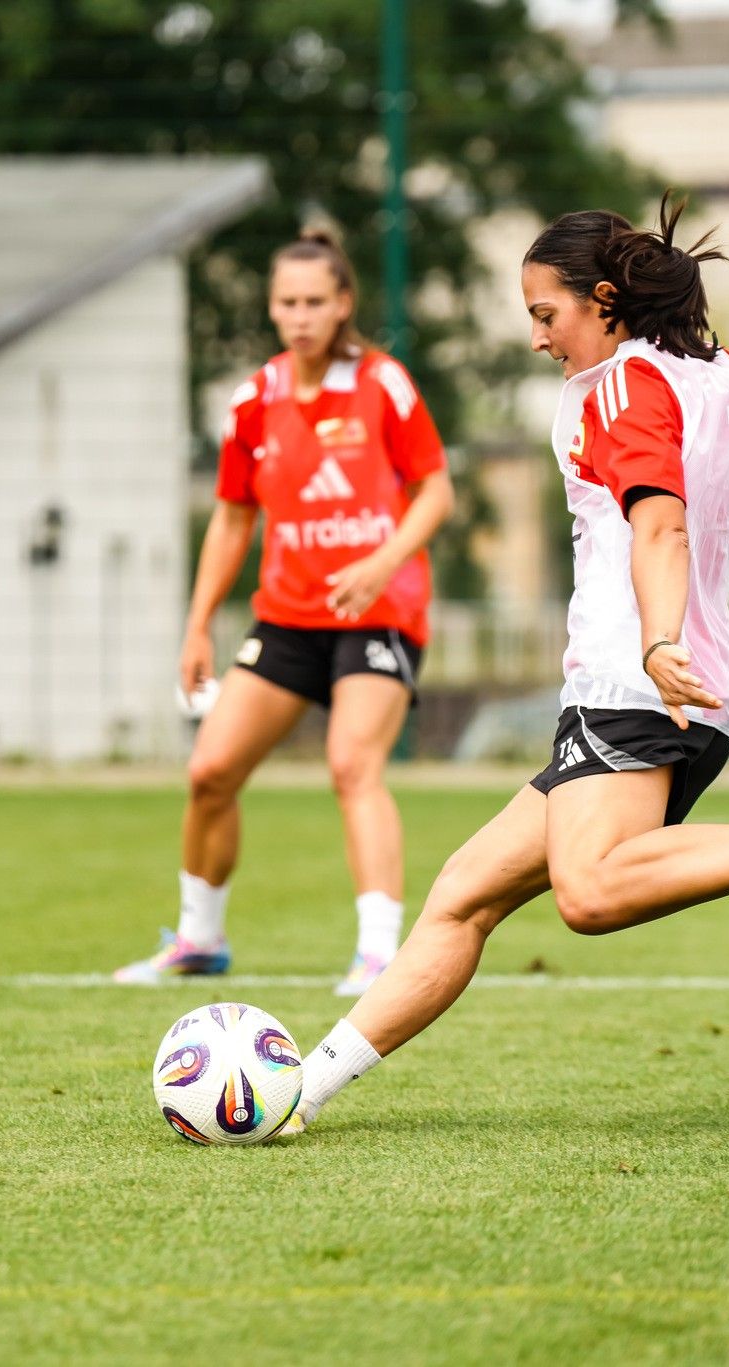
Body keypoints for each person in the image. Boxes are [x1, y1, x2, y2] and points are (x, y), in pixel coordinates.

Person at [277, 195, 729, 1138]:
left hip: (639, 683)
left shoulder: (623, 387)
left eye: (546, 315)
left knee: (587, 893)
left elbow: (660, 522)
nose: (540, 340)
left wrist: (658, 640)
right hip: (672, 688)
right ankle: (299, 1092)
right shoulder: (719, 371)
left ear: (602, 302)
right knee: (463, 897)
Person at [113, 228, 454, 997]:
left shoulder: (383, 384)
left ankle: (377, 955)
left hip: (377, 612)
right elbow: (233, 517)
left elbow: (436, 491)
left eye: (314, 301)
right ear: (272, 308)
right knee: (210, 769)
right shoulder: (255, 399)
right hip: (289, 618)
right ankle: (199, 938)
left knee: (350, 764)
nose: (299, 315)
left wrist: (381, 561)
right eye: (286, 302)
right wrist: (199, 622)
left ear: (342, 305)